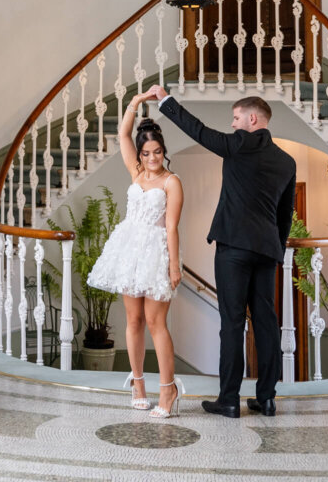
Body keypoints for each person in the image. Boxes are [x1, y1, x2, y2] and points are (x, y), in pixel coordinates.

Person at [146, 84, 296, 419]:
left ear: (252, 119)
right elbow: (286, 214)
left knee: (231, 323)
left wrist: (166, 102)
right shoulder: (286, 161)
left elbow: (199, 131)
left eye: (236, 117)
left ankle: (229, 399)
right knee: (266, 322)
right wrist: (276, 249)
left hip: (234, 249)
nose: (232, 124)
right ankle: (267, 398)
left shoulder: (240, 144)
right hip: (267, 251)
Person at [87, 91, 185, 418]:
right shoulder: (135, 172)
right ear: (140, 155)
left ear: (163, 152)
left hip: (156, 254)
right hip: (129, 252)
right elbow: (123, 133)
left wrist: (173, 265)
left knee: (157, 323)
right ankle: (138, 383)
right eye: (147, 153)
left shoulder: (172, 183)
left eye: (158, 152)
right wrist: (139, 98)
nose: (153, 157)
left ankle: (168, 391)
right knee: (134, 320)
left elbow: (171, 227)